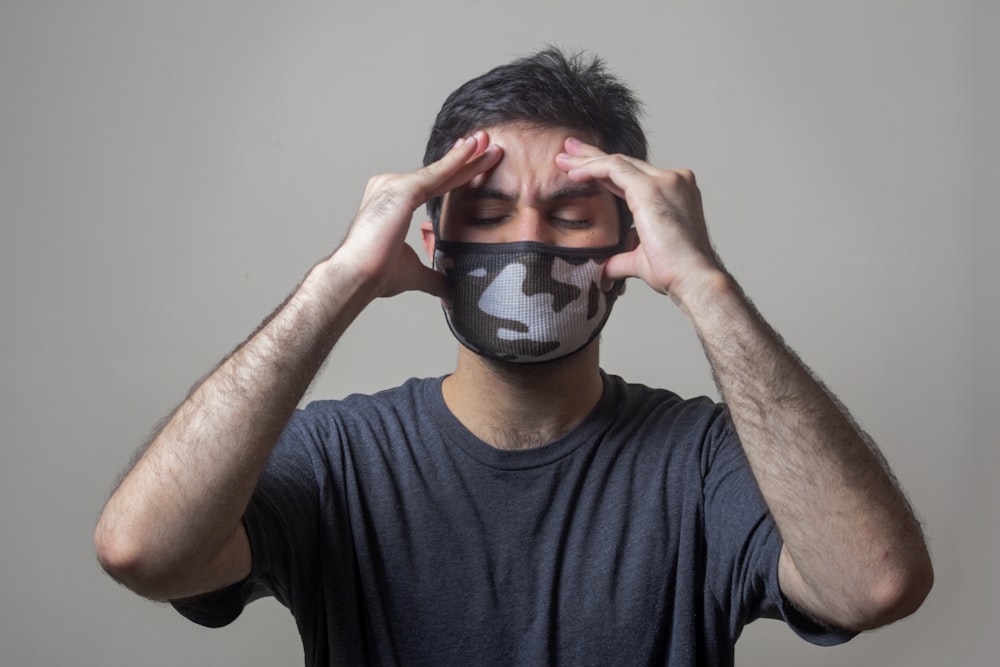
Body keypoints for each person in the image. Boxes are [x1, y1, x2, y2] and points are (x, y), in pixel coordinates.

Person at [95, 48, 933, 666]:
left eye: (571, 212)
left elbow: (875, 582)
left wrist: (707, 284)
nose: (529, 238)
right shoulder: (339, 457)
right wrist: (340, 279)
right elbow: (142, 550)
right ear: (433, 237)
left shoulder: (702, 461)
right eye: (489, 212)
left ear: (629, 244)